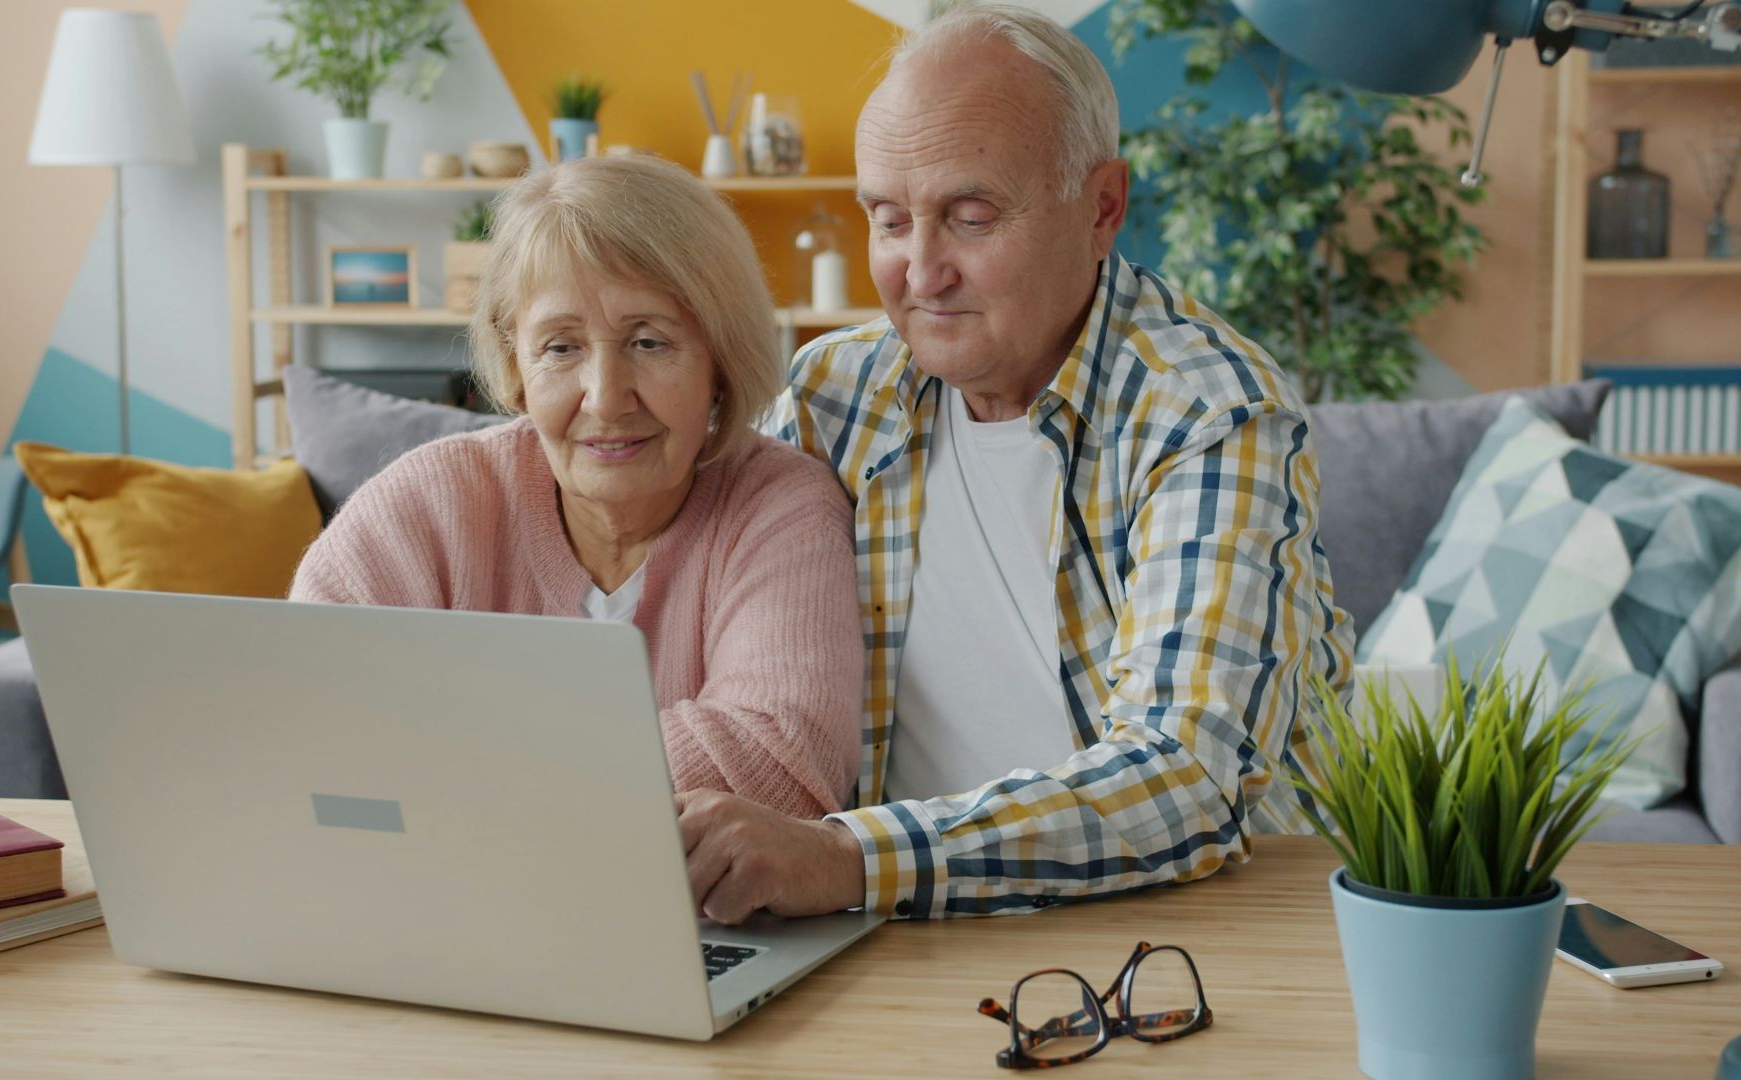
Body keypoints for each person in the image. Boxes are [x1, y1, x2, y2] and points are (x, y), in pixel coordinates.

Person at [676, 4, 1355, 922]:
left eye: (970, 216)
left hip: (1199, 932)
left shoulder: (1209, 411)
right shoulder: (832, 394)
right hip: (895, 933)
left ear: (1102, 207)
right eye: (888, 220)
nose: (920, 273)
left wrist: (850, 857)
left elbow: (1191, 775)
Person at [290, 155, 862, 820]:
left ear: (721, 361)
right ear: (513, 364)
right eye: (560, 348)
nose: (607, 399)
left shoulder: (781, 507)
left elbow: (780, 763)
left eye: (649, 343)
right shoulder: (427, 503)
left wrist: (442, 768)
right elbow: (310, 723)